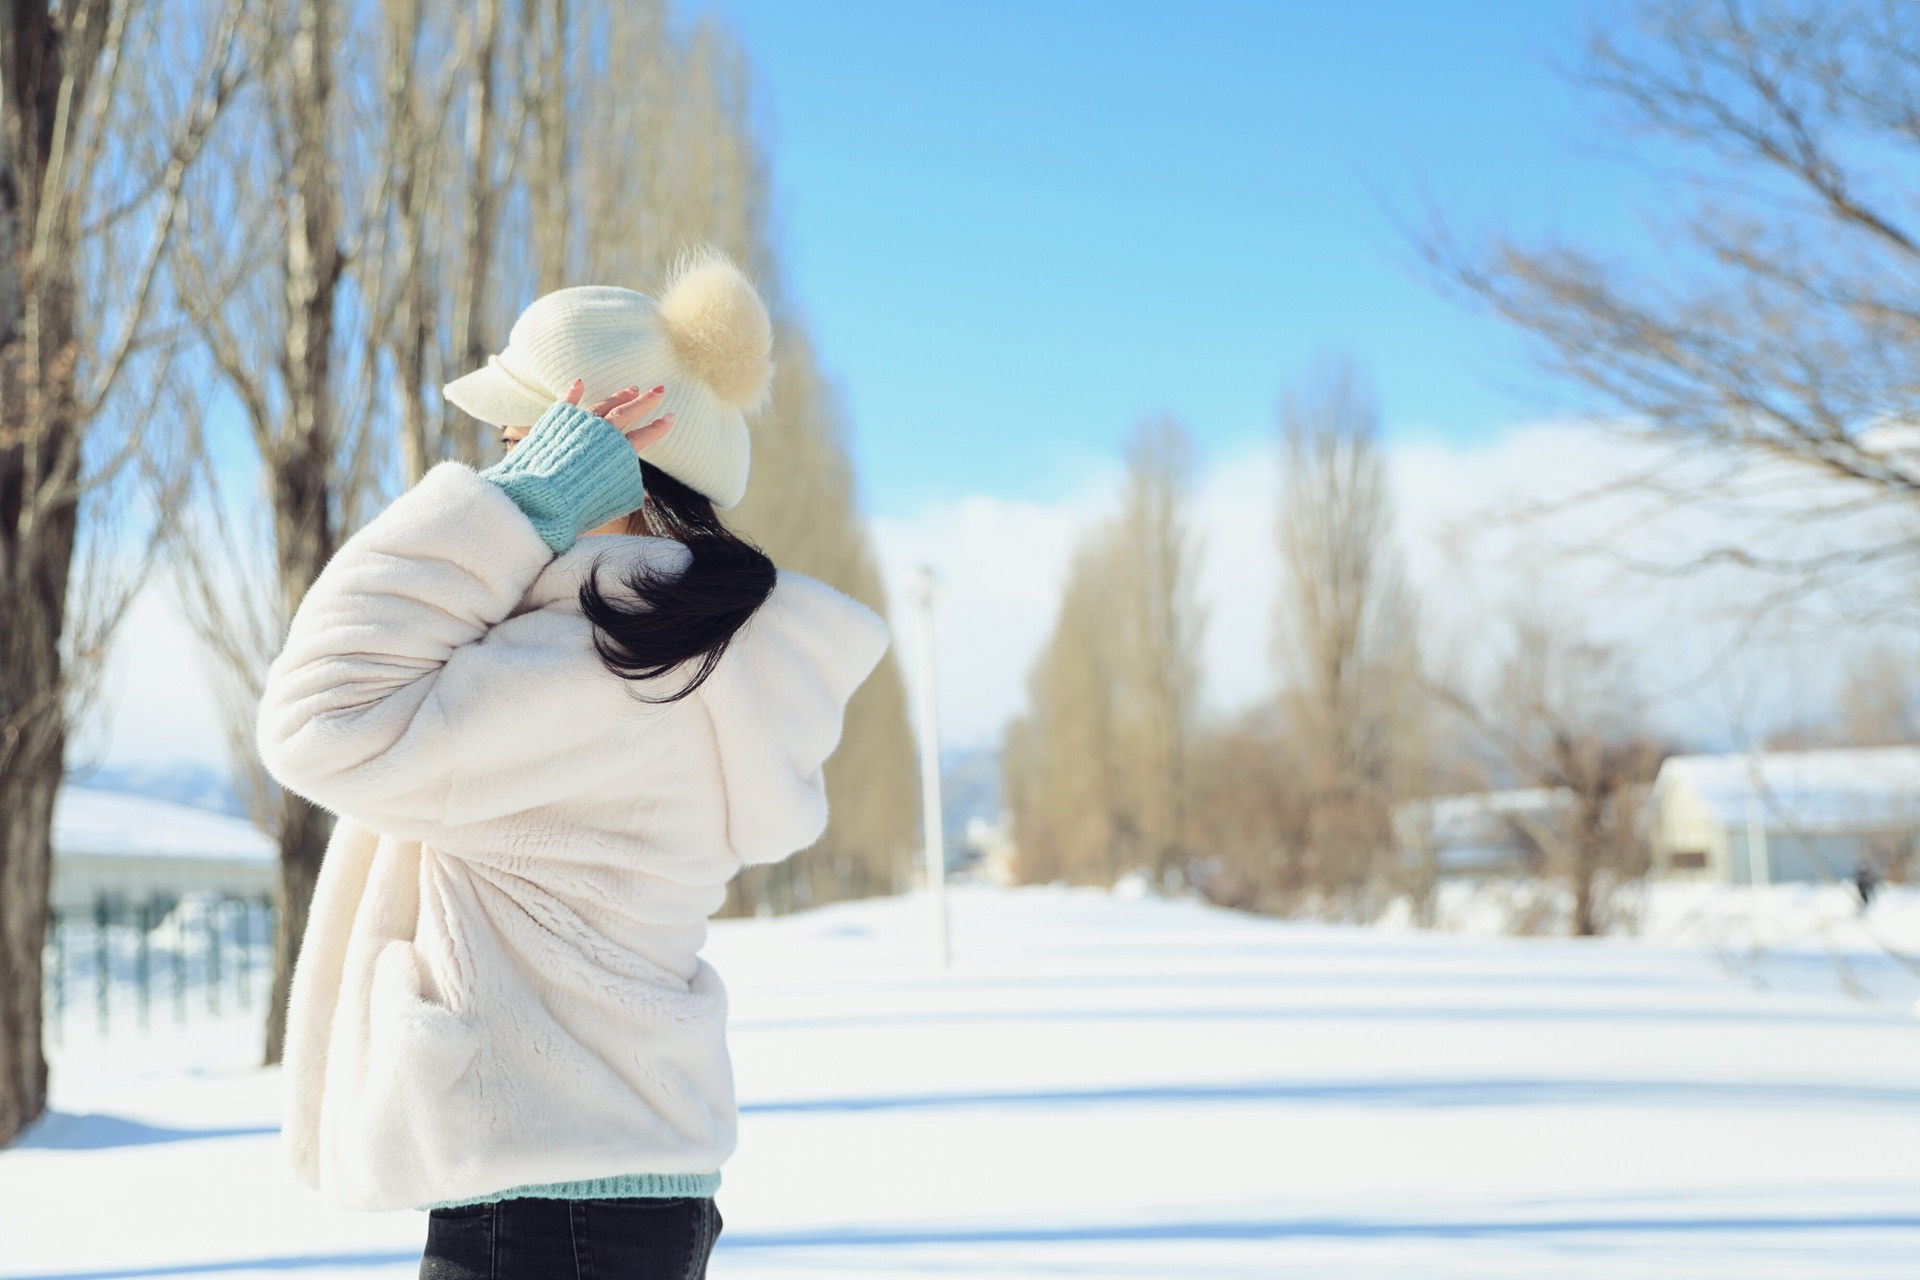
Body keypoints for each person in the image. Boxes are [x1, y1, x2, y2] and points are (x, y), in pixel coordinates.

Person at [256, 249, 889, 1280]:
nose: (502, 472)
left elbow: (314, 714)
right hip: (613, 1188)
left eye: (526, 446)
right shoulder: (681, 658)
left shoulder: (586, 664)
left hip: (542, 1202)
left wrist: (513, 507)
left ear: (600, 466)